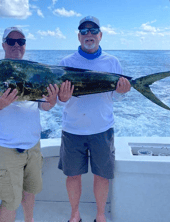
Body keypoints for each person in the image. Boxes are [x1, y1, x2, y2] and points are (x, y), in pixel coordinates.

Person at [0, 27, 59, 222]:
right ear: (3, 44)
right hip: (4, 149)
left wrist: (52, 102)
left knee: (30, 193)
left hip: (33, 146)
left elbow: (43, 105)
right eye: (11, 41)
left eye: (21, 41)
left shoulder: (34, 71)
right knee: (10, 201)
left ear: (25, 45)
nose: (16, 45)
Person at [57, 16, 131, 222]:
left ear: (100, 35)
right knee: (73, 176)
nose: (88, 34)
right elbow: (60, 101)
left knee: (102, 175)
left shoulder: (112, 62)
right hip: (72, 130)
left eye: (93, 30)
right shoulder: (66, 63)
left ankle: (100, 216)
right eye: (84, 31)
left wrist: (122, 91)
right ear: (79, 36)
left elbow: (115, 97)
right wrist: (62, 97)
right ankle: (75, 215)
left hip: (102, 129)